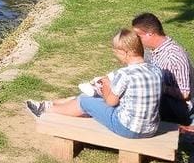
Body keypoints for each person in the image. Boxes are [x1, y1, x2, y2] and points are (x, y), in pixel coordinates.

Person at [25, 28, 162, 139]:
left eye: (115, 52)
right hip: (151, 128)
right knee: (89, 99)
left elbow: (111, 102)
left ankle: (45, 110)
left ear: (124, 52)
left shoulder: (124, 74)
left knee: (85, 100)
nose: (115, 55)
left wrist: (106, 85)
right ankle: (48, 104)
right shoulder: (155, 70)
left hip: (128, 129)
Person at [132, 12, 194, 124]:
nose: (136, 39)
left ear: (150, 34)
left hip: (180, 109)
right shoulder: (153, 50)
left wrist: (159, 87)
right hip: (164, 101)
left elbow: (185, 94)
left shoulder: (173, 56)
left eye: (138, 36)